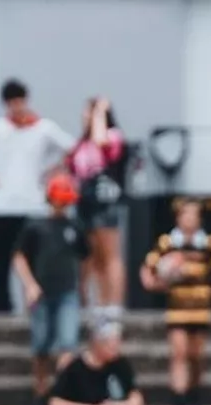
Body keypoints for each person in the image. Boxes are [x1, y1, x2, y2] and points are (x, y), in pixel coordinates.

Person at [0, 79, 74, 314]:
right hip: (0, 207)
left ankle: (36, 308)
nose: (18, 106)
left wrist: (50, 171)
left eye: (21, 101)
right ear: (7, 104)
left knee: (36, 263)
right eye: (13, 102)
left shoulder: (43, 128)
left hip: (32, 205)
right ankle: (2, 308)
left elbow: (71, 148)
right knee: (0, 263)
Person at [139, 199, 211, 405]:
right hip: (177, 307)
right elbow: (148, 269)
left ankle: (195, 392)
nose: (190, 219)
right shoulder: (167, 242)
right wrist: (157, 282)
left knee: (196, 355)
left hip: (201, 307)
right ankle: (178, 397)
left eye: (194, 215)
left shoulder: (208, 243)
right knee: (179, 353)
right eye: (186, 214)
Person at [13, 174, 90, 400]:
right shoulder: (36, 227)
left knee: (68, 342)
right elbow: (19, 257)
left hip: (67, 291)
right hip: (42, 292)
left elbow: (86, 258)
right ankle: (41, 389)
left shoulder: (74, 227)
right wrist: (29, 285)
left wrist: (83, 286)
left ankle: (63, 392)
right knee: (41, 344)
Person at [66, 96, 128, 317]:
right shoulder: (81, 144)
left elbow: (102, 142)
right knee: (95, 257)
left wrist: (100, 110)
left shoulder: (112, 136)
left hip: (106, 200)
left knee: (111, 254)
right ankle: (100, 301)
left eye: (88, 113)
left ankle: (114, 303)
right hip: (86, 204)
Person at [47, 318, 143, 405]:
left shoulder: (121, 364)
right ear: (97, 343)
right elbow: (56, 403)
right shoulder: (75, 368)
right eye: (111, 342)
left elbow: (136, 398)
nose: (116, 347)